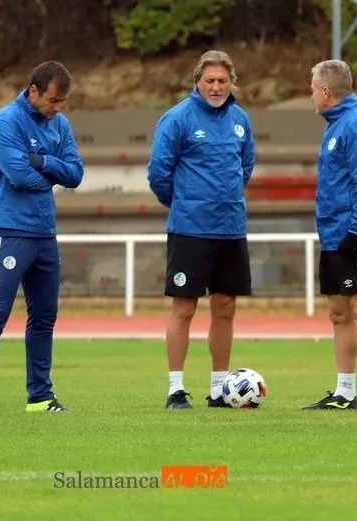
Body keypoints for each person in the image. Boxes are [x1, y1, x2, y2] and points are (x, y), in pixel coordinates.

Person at [0, 60, 84, 414]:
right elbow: (18, 177)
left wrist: (44, 162)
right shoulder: (6, 121)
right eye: (52, 101)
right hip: (9, 229)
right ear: (33, 92)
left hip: (44, 232)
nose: (58, 108)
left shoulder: (59, 123)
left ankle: (40, 396)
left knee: (45, 315)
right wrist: (53, 173)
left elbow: (76, 174)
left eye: (62, 102)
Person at [147, 50, 257, 410]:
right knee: (184, 308)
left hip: (231, 229)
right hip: (191, 229)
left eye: (222, 80)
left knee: (225, 307)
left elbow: (246, 166)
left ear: (232, 82)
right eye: (209, 80)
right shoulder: (177, 118)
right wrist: (184, 205)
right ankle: (175, 389)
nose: (216, 86)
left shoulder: (241, 119)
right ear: (197, 81)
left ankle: (220, 388)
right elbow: (158, 173)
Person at [300, 59, 357, 412]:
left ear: (325, 91)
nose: (311, 96)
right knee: (339, 313)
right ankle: (344, 392)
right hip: (334, 234)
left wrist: (355, 230)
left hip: (355, 236)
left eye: (312, 90)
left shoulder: (355, 126)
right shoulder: (337, 125)